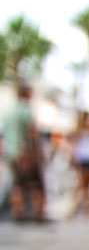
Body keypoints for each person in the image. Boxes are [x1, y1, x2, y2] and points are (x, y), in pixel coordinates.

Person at [1, 82, 47, 222]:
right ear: (26, 93)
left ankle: (18, 213)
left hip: (11, 153)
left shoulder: (9, 111)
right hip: (25, 154)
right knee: (37, 184)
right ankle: (38, 215)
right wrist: (36, 153)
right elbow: (31, 133)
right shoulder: (26, 110)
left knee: (17, 184)